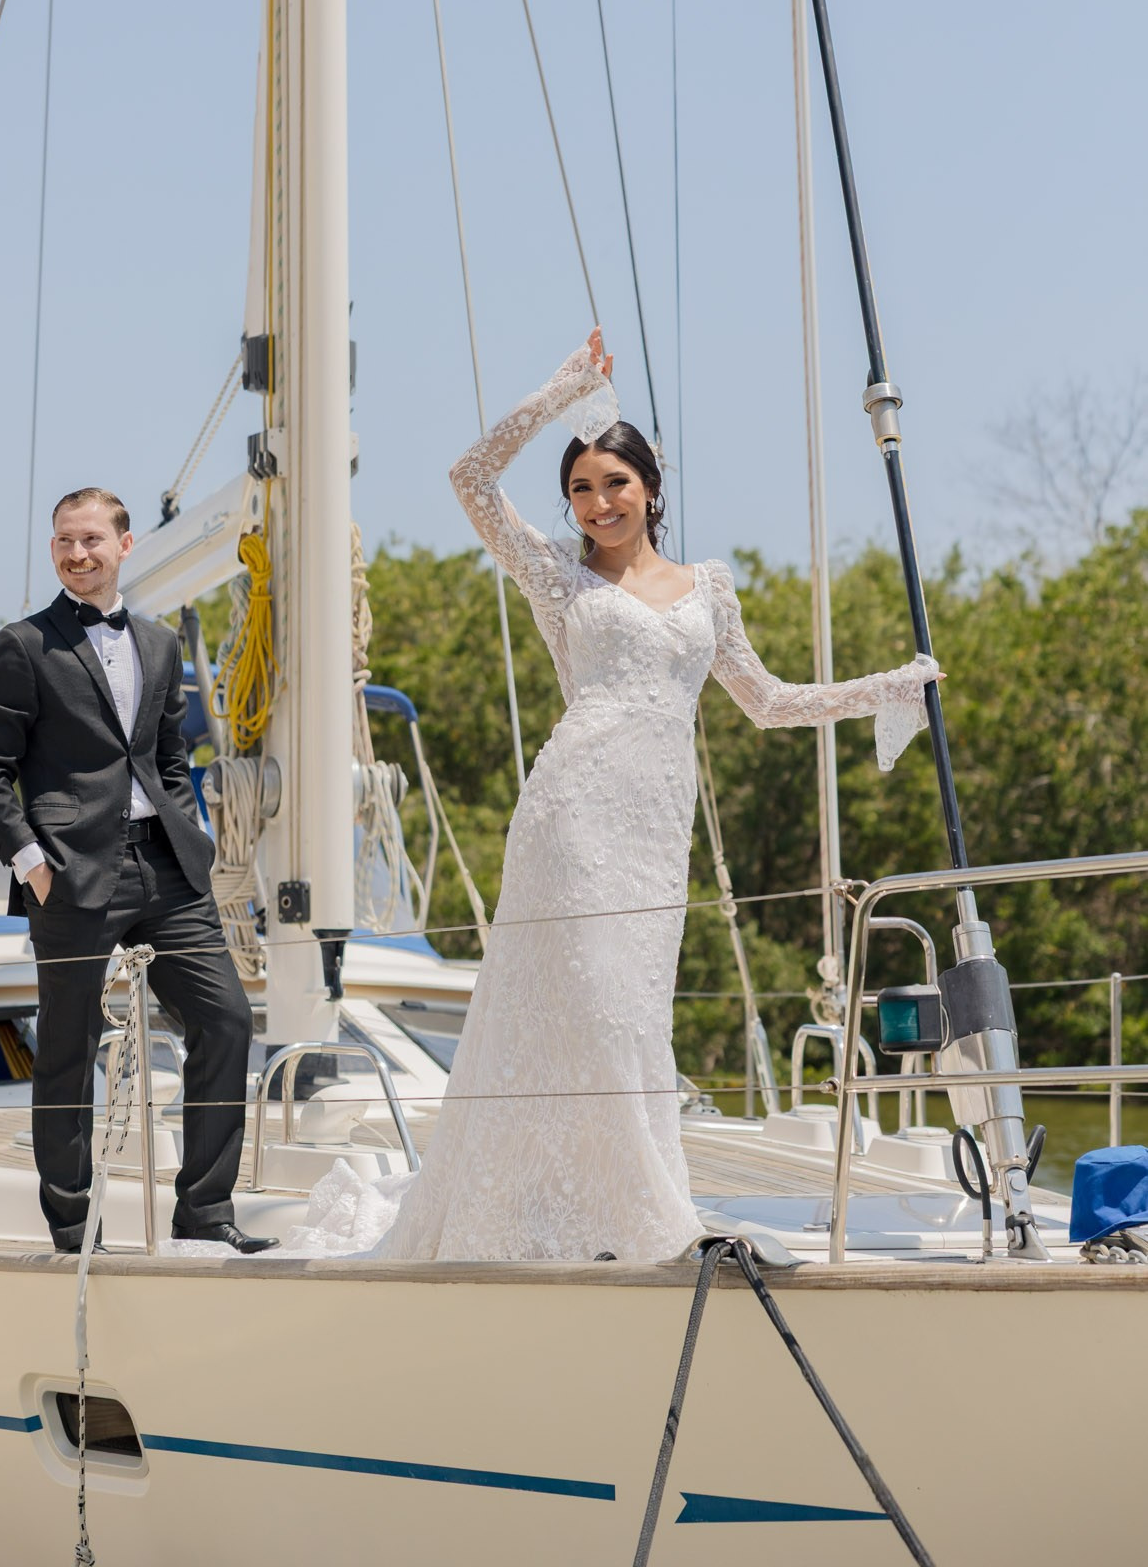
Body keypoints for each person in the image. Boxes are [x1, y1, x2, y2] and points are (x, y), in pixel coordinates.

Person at [289, 333, 938, 1263]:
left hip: (654, 818)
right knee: (585, 1000)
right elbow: (469, 477)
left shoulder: (708, 586)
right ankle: (607, 1213)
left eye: (614, 484)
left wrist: (882, 689)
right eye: (582, 489)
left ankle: (609, 1205)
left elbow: (765, 703)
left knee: (631, 1009)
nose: (597, 504)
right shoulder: (558, 578)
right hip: (572, 808)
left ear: (650, 484)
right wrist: (563, 392)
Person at [0, 487, 277, 1255]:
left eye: (91, 539)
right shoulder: (24, 645)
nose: (77, 554)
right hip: (69, 875)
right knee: (67, 1054)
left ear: (124, 545)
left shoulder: (160, 643)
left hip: (166, 867)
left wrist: (190, 832)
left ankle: (204, 1212)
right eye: (64, 541)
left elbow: (169, 756)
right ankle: (76, 1233)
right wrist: (33, 863)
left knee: (225, 1020)